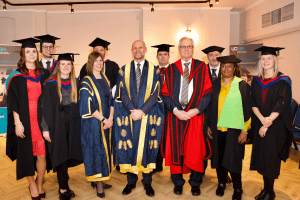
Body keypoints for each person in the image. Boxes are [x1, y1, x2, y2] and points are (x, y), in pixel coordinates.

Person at [161, 37, 212, 196]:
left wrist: (195, 111)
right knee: (175, 149)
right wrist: (176, 111)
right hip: (176, 116)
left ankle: (195, 182)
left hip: (194, 116)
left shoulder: (202, 68)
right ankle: (177, 182)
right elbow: (165, 95)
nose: (186, 49)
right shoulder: (171, 69)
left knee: (195, 149)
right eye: (183, 47)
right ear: (179, 49)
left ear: (193, 48)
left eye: (189, 46)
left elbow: (207, 95)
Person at [114, 40, 164, 197]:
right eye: (134, 48)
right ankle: (130, 182)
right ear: (131, 50)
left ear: (145, 50)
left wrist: (141, 111)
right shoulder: (124, 70)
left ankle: (147, 182)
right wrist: (132, 110)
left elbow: (156, 93)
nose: (137, 50)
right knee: (130, 146)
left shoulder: (154, 70)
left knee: (147, 148)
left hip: (147, 116)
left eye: (140, 48)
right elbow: (121, 92)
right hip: (129, 116)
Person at [6, 38, 51, 200]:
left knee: (42, 155)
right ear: (23, 55)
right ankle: (32, 184)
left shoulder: (44, 74)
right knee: (25, 155)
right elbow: (13, 101)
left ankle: (40, 183)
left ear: (37, 54)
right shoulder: (16, 76)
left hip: (41, 121)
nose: (31, 54)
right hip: (25, 121)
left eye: (33, 51)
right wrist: (17, 123)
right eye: (27, 52)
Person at [250, 46, 293, 200]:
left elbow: (281, 103)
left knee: (271, 158)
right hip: (259, 124)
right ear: (260, 61)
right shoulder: (256, 80)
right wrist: (261, 120)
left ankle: (271, 192)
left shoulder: (283, 80)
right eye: (263, 59)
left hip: (275, 126)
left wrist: (266, 123)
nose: (266, 61)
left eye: (269, 58)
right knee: (261, 157)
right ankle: (265, 189)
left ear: (275, 60)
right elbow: (252, 102)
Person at [208, 55, 251, 200]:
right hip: (217, 128)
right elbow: (209, 106)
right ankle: (221, 183)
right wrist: (208, 125)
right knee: (219, 158)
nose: (226, 69)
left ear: (234, 68)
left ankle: (238, 187)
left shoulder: (242, 85)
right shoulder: (214, 84)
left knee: (234, 159)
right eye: (223, 66)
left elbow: (247, 109)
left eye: (229, 66)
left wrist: (245, 130)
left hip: (234, 129)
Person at [41, 53, 83, 200]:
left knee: (69, 153)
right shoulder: (50, 83)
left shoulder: (76, 83)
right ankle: (63, 189)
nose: (66, 67)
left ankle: (64, 185)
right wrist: (45, 129)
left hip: (72, 123)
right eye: (63, 64)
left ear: (72, 66)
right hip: (56, 123)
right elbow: (44, 107)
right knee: (61, 155)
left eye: (68, 64)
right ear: (58, 66)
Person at [79, 51, 114, 199]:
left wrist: (111, 118)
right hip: (94, 123)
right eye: (96, 61)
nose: (99, 63)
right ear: (90, 63)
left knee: (105, 151)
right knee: (96, 150)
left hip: (106, 121)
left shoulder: (105, 78)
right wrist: (103, 120)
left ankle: (102, 178)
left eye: (101, 61)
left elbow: (111, 100)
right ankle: (98, 183)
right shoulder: (86, 81)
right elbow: (88, 105)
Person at [151, 43, 174, 173]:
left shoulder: (175, 70)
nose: (163, 57)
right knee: (156, 135)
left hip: (170, 109)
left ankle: (173, 166)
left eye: (165, 54)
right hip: (155, 108)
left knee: (170, 136)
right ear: (157, 56)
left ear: (169, 56)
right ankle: (157, 163)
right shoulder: (152, 71)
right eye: (160, 54)